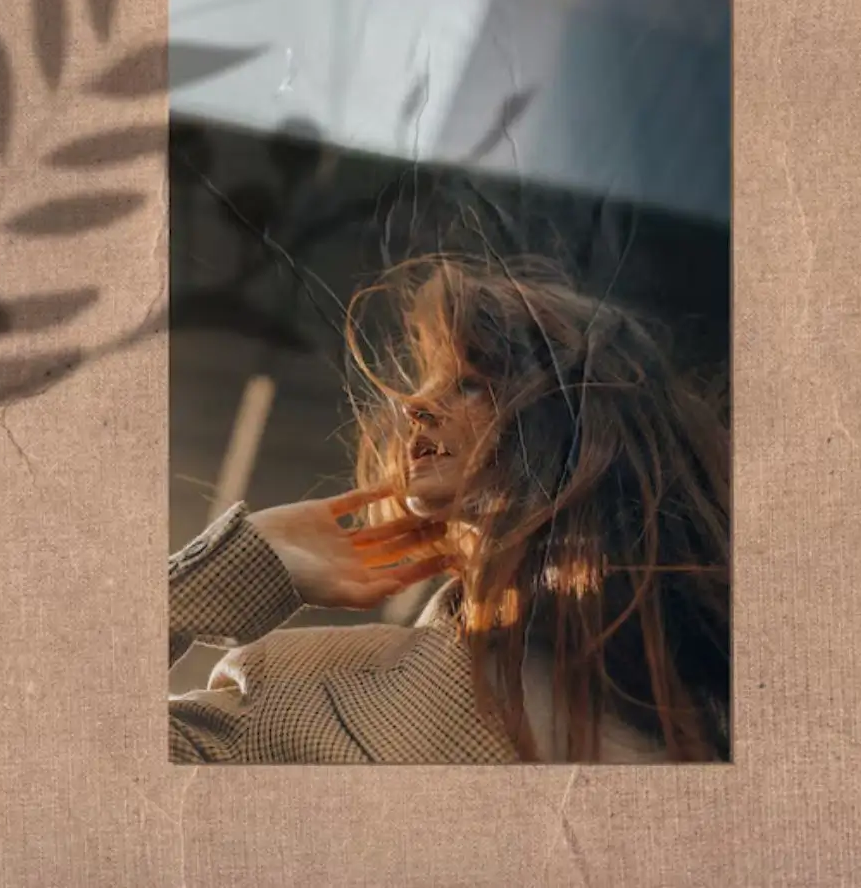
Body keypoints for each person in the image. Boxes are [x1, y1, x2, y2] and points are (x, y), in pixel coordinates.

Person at [168, 254, 732, 764]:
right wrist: (221, 577)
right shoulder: (295, 689)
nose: (416, 407)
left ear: (579, 431)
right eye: (427, 381)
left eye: (468, 383)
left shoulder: (733, 719)